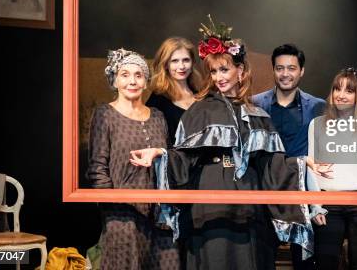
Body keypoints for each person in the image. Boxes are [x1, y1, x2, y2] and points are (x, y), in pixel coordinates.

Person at [130, 17, 320, 270]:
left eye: (224, 69)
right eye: (213, 71)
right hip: (210, 195)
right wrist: (160, 154)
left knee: (250, 256)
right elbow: (184, 157)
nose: (218, 77)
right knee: (214, 257)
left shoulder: (258, 114)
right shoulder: (200, 111)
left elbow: (270, 164)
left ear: (240, 71)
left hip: (249, 196)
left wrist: (301, 162)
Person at [86, 48, 179, 270]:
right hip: (122, 214)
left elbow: (169, 159)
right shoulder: (105, 115)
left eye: (139, 75)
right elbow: (97, 168)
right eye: (125, 74)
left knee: (169, 264)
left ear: (146, 82)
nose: (132, 81)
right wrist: (112, 213)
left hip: (159, 214)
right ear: (115, 80)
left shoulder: (157, 116)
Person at [253, 44, 325, 269]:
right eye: (280, 68)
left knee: (303, 260)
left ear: (301, 71)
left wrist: (318, 203)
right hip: (265, 190)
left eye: (291, 68)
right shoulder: (255, 104)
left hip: (301, 193)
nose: (285, 74)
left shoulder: (318, 107)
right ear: (273, 70)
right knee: (262, 259)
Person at [307, 67, 357, 270]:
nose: (341, 95)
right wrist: (315, 205)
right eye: (337, 89)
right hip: (329, 202)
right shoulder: (317, 124)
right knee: (325, 262)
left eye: (349, 90)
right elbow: (312, 166)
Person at [146, 37, 203, 147]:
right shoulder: (157, 101)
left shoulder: (203, 96)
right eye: (175, 61)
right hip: (176, 162)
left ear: (192, 63)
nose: (181, 66)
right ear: (166, 65)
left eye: (186, 60)